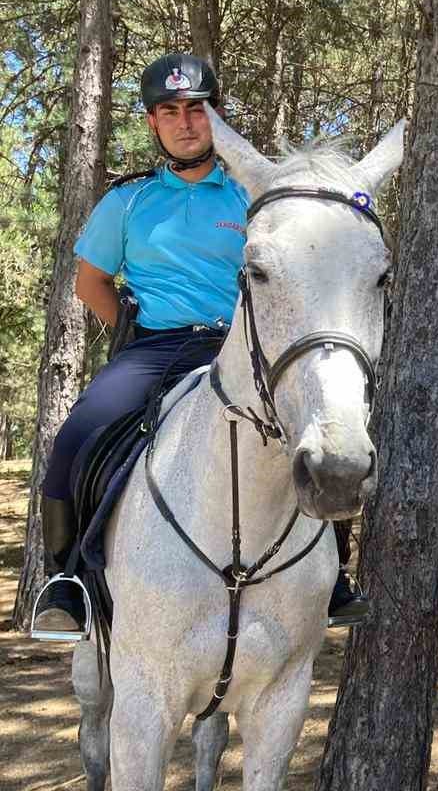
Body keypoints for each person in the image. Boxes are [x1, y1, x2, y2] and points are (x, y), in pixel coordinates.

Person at [31, 52, 367, 639]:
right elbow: (91, 283)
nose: (185, 122)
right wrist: (131, 334)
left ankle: (333, 574)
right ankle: (69, 582)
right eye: (170, 111)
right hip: (155, 349)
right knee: (78, 433)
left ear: (216, 117)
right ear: (152, 122)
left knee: (319, 425)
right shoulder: (127, 203)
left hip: (243, 349)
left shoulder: (249, 198)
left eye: (197, 109)